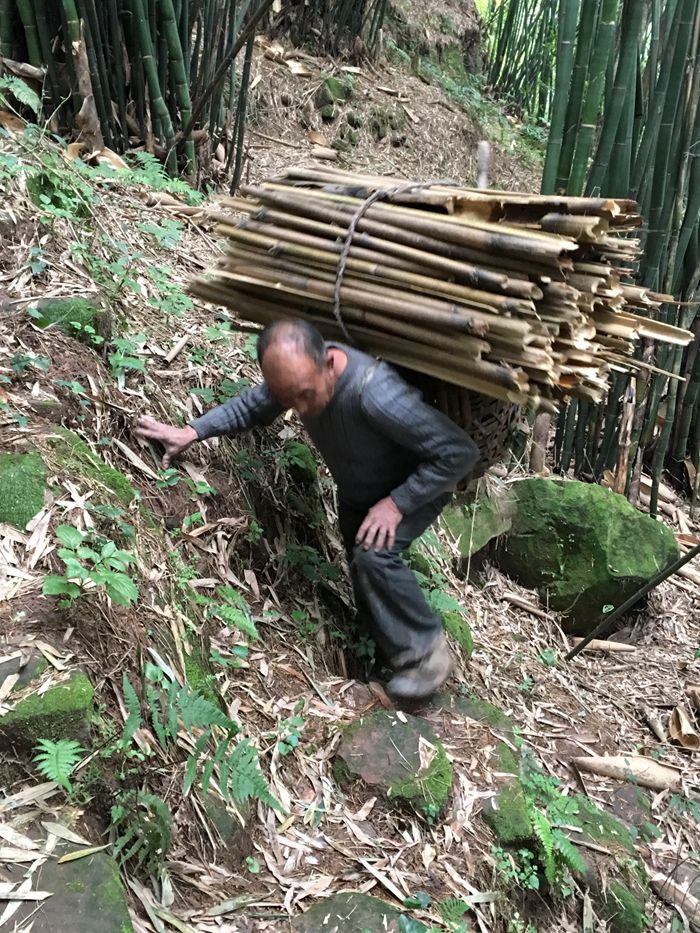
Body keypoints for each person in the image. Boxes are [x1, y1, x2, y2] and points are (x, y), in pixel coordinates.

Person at [136, 319, 479, 700]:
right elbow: (253, 406)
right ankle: (389, 657)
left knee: (374, 555)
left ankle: (427, 656)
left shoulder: (374, 393)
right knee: (361, 564)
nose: (299, 409)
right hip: (360, 492)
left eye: (304, 395)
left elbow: (459, 453)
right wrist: (191, 431)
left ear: (329, 363)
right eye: (288, 399)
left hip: (415, 487)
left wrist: (397, 504)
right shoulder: (298, 379)